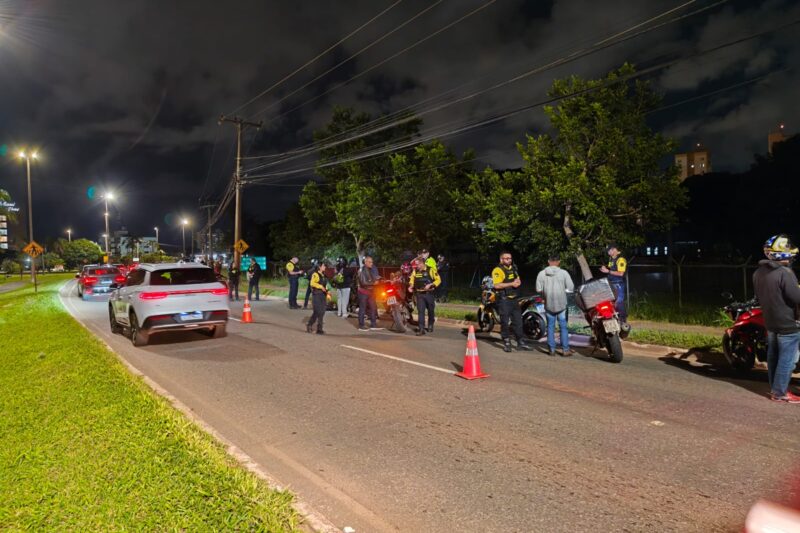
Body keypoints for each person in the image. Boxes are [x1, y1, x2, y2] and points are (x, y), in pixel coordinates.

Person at [753, 234, 800, 403]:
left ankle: (775, 388)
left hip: (770, 321)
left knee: (773, 356)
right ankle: (780, 393)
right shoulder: (784, 273)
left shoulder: (758, 272)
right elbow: (796, 298)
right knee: (787, 359)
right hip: (787, 323)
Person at [491, 252, 532, 353]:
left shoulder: (513, 268)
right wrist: (512, 284)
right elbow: (497, 285)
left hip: (514, 299)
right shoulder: (498, 270)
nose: (509, 260)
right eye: (506, 258)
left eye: (510, 258)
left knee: (518, 322)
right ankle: (507, 342)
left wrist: (518, 282)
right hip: (504, 300)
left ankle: (520, 342)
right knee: (504, 322)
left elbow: (517, 280)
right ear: (501, 260)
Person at [536, 254, 575, 357]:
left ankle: (552, 350)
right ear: (559, 262)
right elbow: (571, 287)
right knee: (563, 327)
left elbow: (538, 289)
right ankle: (565, 350)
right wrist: (564, 291)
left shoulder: (541, 274)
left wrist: (544, 296)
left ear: (548, 261)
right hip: (561, 304)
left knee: (550, 327)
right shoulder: (564, 273)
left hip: (548, 304)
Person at [408, 257, 441, 335]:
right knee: (421, 312)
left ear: (422, 263)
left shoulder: (431, 270)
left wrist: (431, 285)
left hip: (429, 294)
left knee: (430, 310)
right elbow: (412, 280)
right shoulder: (415, 271)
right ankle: (421, 329)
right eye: (416, 265)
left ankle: (430, 324)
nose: (416, 266)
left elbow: (438, 280)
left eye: (417, 264)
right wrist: (411, 286)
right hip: (419, 294)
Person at [600, 243, 627, 322]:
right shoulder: (611, 258)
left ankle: (623, 321)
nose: (608, 253)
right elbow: (611, 268)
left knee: (619, 302)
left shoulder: (621, 259)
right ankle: (614, 319)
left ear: (614, 249)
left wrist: (608, 271)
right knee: (610, 302)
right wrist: (605, 269)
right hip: (611, 283)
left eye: (609, 251)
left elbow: (621, 273)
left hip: (619, 284)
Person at [357, 256, 381, 331]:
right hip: (363, 292)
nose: (371, 263)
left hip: (371, 292)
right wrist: (374, 283)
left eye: (372, 262)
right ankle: (361, 325)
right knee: (362, 308)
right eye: (370, 262)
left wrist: (378, 279)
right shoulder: (361, 270)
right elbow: (363, 282)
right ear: (366, 262)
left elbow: (373, 278)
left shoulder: (371, 269)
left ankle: (373, 324)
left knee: (373, 308)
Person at [306, 262, 330, 335]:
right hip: (316, 294)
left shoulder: (324, 275)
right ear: (319, 267)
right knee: (317, 312)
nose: (325, 267)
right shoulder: (315, 274)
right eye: (323, 266)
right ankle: (310, 324)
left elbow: (325, 285)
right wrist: (320, 286)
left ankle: (319, 329)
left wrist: (328, 292)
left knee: (322, 312)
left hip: (323, 295)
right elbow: (312, 283)